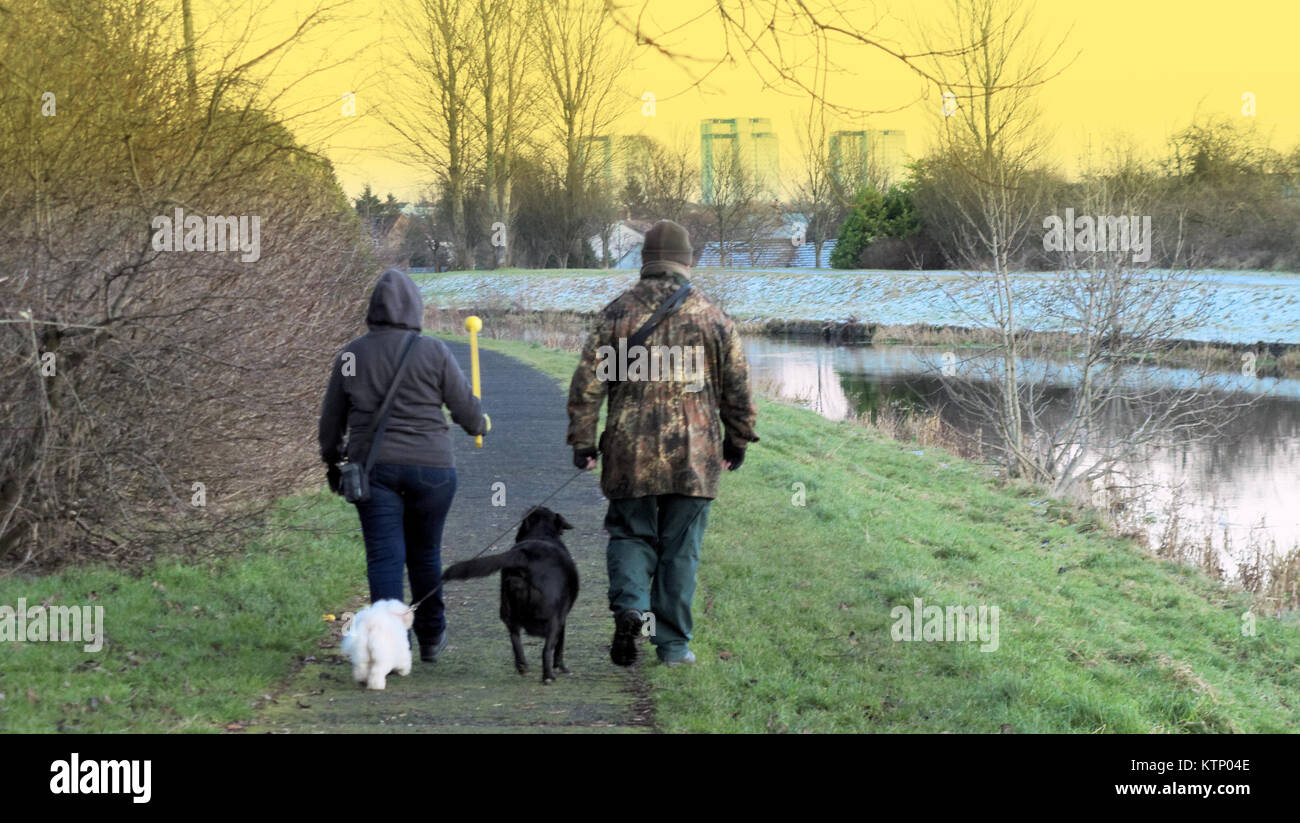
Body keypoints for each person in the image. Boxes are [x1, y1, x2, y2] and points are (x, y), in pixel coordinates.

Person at [567, 220, 759, 667]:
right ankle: (672, 646)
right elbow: (738, 390)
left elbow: (587, 386)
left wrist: (583, 441)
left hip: (628, 451)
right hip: (694, 455)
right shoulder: (714, 318)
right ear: (687, 261)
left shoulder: (615, 315)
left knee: (631, 534)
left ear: (644, 261)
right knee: (680, 549)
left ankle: (632, 607)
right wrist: (738, 440)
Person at [319, 268, 488, 663]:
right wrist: (481, 423)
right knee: (426, 553)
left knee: (385, 557)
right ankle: (431, 636)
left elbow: (331, 424)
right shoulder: (434, 351)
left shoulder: (350, 356)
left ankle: (389, 647)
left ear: (372, 309)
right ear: (416, 307)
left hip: (373, 471)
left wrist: (333, 462)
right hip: (434, 470)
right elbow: (467, 411)